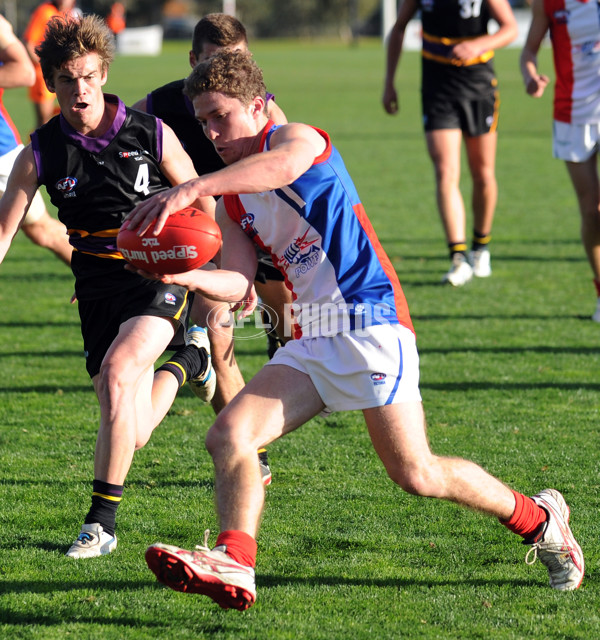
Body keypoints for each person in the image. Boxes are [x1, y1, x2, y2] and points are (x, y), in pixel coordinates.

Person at [124, 51, 584, 610]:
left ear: (257, 104)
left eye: (220, 116)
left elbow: (284, 170)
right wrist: (182, 271)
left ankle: (540, 519)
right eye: (202, 122)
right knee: (229, 436)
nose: (212, 131)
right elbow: (240, 280)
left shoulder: (295, 140)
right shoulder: (231, 198)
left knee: (415, 472)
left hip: (371, 320)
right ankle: (236, 561)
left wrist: (192, 187)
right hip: (311, 330)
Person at [0, 14, 217, 558]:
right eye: (69, 79)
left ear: (103, 74)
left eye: (90, 76)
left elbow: (203, 199)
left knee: (121, 374)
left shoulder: (148, 131)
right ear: (49, 81)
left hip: (157, 276)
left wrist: (203, 264)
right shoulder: (40, 152)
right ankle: (190, 362)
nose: (81, 90)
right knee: (132, 426)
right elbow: (5, 232)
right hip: (95, 289)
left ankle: (100, 524)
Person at [132, 12, 291, 417]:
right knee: (218, 337)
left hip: (258, 221)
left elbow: (286, 177)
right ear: (192, 60)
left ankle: (286, 350)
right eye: (214, 60)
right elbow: (120, 135)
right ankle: (250, 454)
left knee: (287, 322)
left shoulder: (265, 112)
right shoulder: (162, 104)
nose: (225, 71)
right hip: (203, 227)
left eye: (236, 59)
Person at [382, 0, 518, 286]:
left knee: (482, 173)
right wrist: (389, 81)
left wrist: (479, 44)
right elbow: (398, 28)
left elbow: (510, 28)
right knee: (445, 171)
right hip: (437, 88)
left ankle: (480, 247)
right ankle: (458, 257)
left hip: (478, 86)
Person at [520, 0, 600, 321]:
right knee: (592, 211)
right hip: (572, 115)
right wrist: (530, 76)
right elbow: (529, 51)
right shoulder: (549, 3)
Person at [0, 14, 71, 265]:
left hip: (1, 153)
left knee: (40, 229)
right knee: (39, 229)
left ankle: (108, 281)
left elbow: (23, 72)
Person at [23, 0, 77, 128]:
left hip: (63, 73)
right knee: (44, 119)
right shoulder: (44, 12)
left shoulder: (67, 13)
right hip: (44, 75)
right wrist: (43, 66)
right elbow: (29, 43)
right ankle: (37, 147)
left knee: (66, 115)